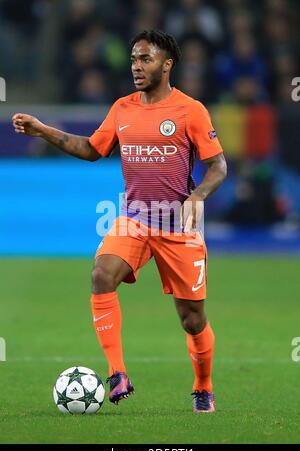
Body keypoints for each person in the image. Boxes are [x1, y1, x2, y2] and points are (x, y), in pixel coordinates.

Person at [12, 30, 227, 413]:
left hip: (177, 226)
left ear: (167, 64)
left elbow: (218, 166)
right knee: (101, 274)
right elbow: (93, 149)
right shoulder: (122, 109)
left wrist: (198, 196)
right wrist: (43, 130)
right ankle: (117, 373)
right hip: (134, 219)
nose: (137, 66)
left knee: (192, 319)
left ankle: (203, 386)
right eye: (133, 59)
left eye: (145, 59)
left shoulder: (190, 110)